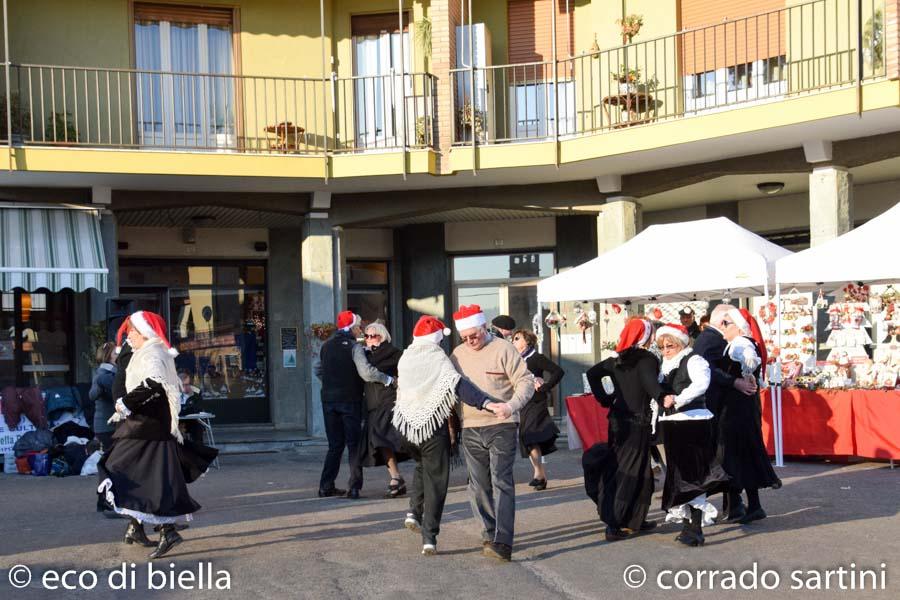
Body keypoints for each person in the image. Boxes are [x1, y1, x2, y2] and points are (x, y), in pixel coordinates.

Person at [97, 311, 218, 559]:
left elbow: (153, 383)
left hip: (148, 428)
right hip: (144, 426)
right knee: (137, 475)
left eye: (132, 330)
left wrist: (126, 403)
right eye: (128, 330)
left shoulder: (153, 352)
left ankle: (167, 530)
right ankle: (138, 527)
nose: (128, 335)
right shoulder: (145, 351)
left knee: (127, 472)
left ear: (145, 332)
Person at [392, 316, 498, 556]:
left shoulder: (406, 357)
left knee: (421, 466)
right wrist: (485, 402)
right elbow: (456, 384)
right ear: (437, 338)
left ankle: (413, 512)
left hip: (407, 427)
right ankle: (429, 537)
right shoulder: (437, 357)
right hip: (432, 426)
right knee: (437, 482)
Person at [450, 305, 534, 562]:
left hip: (503, 424)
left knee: (501, 480)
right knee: (478, 485)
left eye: (473, 335)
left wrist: (510, 406)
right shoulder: (457, 354)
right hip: (471, 426)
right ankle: (488, 532)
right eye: (464, 338)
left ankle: (503, 540)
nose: (469, 341)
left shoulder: (503, 348)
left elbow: (526, 381)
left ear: (485, 327)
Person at [585, 317, 663, 542]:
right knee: (628, 472)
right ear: (645, 336)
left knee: (637, 471)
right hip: (635, 423)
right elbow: (650, 384)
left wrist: (606, 399)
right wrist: (662, 394)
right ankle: (614, 521)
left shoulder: (618, 359)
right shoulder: (646, 359)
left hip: (619, 420)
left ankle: (634, 518)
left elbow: (592, 374)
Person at [654, 324, 730, 547]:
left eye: (670, 345)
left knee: (692, 477)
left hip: (693, 422)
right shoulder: (664, 364)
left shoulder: (694, 360)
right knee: (679, 477)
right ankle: (689, 525)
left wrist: (677, 399)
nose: (666, 350)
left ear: (681, 343)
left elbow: (701, 384)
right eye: (662, 346)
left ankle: (696, 528)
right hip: (671, 423)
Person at [315, 310, 394, 499]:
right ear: (351, 327)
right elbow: (366, 373)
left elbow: (317, 369)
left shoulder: (326, 346)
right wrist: (388, 379)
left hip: (328, 400)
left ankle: (326, 486)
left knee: (334, 445)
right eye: (359, 326)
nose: (360, 330)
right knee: (353, 445)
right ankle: (354, 487)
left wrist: (330, 383)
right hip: (350, 400)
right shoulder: (354, 347)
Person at [717, 307, 782, 524]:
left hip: (738, 408)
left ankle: (750, 505)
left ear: (738, 326)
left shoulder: (741, 343)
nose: (721, 326)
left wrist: (747, 374)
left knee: (738, 454)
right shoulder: (737, 343)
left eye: (726, 323)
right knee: (742, 454)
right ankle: (749, 505)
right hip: (740, 406)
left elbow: (750, 358)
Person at [358, 322, 408, 498]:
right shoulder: (365, 355)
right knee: (381, 441)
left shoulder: (394, 353)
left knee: (389, 438)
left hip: (389, 401)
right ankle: (396, 477)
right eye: (367, 336)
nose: (369, 339)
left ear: (383, 336)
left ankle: (399, 477)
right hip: (373, 404)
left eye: (373, 336)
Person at [511, 329, 563, 491]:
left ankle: (538, 474)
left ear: (526, 341)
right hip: (522, 403)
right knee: (527, 438)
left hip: (536, 402)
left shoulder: (536, 358)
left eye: (517, 338)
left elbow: (558, 371)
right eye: (513, 338)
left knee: (531, 436)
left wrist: (545, 387)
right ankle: (541, 477)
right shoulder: (514, 359)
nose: (513, 341)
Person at [90, 342, 118, 451]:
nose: (118, 354)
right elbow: (92, 395)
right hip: (106, 426)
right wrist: (100, 387)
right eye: (115, 353)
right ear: (108, 356)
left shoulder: (110, 372)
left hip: (108, 426)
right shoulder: (103, 374)